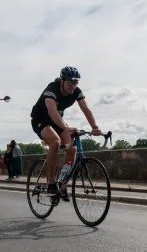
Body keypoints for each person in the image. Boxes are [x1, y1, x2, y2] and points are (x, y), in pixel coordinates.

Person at [30, 66, 101, 198]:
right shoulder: (52, 89)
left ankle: (62, 183)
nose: (72, 86)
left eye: (75, 82)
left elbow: (85, 108)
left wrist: (94, 127)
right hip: (41, 120)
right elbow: (52, 111)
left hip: (57, 122)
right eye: (70, 82)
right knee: (55, 142)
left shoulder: (76, 91)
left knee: (72, 148)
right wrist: (66, 127)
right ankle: (51, 183)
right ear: (62, 80)